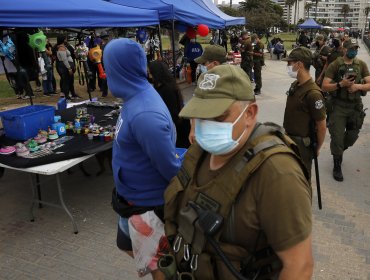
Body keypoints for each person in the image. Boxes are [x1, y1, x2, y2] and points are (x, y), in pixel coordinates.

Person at [163, 64, 313, 280]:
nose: (205, 126)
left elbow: (299, 266)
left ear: (250, 113)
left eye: (218, 117)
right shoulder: (199, 152)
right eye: (200, 116)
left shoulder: (278, 173)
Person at [103, 38, 182, 280]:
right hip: (129, 200)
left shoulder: (145, 113)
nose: (105, 74)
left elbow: (170, 167)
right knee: (126, 244)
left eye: (108, 67)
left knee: (160, 269)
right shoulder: (133, 98)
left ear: (120, 69)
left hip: (147, 206)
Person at [321, 38, 370, 181]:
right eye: (350, 49)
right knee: (337, 137)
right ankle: (337, 164)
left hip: (355, 106)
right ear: (344, 49)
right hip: (338, 106)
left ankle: (339, 150)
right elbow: (324, 86)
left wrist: (358, 87)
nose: (353, 51)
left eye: (355, 49)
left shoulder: (361, 65)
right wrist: (340, 84)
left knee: (351, 137)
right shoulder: (335, 65)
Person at [282, 47, 327, 178]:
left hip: (302, 146)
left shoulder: (313, 94)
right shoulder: (296, 85)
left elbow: (322, 126)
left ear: (299, 64)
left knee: (301, 178)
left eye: (289, 63)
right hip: (289, 140)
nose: (288, 66)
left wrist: (316, 148)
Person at [187, 44, 227, 144]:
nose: (202, 66)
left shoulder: (232, 81)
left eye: (204, 63)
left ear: (215, 63)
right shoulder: (206, 79)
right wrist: (193, 129)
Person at [148, 60, 190, 148]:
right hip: (175, 127)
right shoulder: (165, 85)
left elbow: (172, 114)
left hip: (177, 131)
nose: (149, 76)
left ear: (156, 73)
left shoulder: (166, 89)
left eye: (150, 73)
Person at [55, 35, 74, 100]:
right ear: (63, 40)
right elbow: (64, 59)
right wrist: (69, 68)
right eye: (65, 39)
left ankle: (69, 94)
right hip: (65, 67)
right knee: (66, 81)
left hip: (66, 65)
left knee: (68, 80)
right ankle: (66, 95)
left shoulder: (63, 47)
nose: (66, 40)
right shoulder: (61, 48)